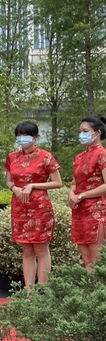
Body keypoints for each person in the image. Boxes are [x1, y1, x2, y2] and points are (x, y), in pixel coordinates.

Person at [5, 121, 63, 288]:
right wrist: (14, 188)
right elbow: (8, 181)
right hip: (20, 206)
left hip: (39, 208)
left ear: (36, 137)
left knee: (41, 250)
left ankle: (42, 291)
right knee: (27, 251)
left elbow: (57, 182)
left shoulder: (46, 156)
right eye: (19, 135)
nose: (21, 138)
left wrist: (33, 185)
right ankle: (29, 292)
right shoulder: (12, 157)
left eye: (26, 135)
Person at [70, 115, 106, 271]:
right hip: (79, 211)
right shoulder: (79, 157)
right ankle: (89, 287)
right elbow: (75, 183)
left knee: (97, 259)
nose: (81, 134)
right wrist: (71, 194)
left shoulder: (102, 154)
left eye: (85, 131)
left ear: (97, 132)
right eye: (80, 131)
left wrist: (82, 195)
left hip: (97, 210)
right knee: (86, 259)